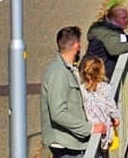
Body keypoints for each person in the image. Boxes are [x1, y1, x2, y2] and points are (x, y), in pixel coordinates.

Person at [41, 26, 106, 157]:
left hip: (73, 144)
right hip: (67, 147)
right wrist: (91, 129)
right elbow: (58, 113)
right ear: (77, 46)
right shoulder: (59, 73)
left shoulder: (67, 70)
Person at [86, 4, 128, 81]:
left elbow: (119, 38)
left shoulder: (108, 27)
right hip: (97, 75)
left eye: (127, 17)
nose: (127, 20)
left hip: (98, 72)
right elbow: (116, 49)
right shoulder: (108, 32)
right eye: (123, 18)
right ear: (113, 19)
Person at [79, 56, 120, 152]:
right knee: (102, 149)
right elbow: (111, 105)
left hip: (90, 126)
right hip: (103, 125)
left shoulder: (81, 89)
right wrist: (116, 117)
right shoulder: (105, 87)